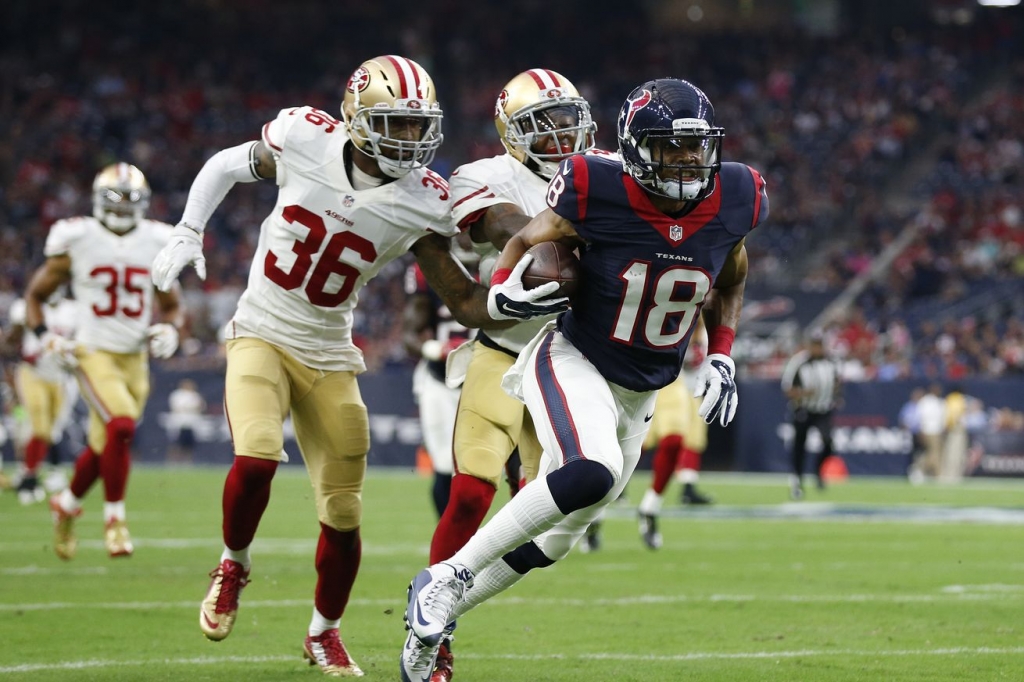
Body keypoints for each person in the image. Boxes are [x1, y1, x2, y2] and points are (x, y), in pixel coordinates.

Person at [148, 55, 564, 677]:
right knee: (257, 455)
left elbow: (461, 297)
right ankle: (233, 563)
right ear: (357, 115)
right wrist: (187, 229)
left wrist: (506, 299)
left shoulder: (423, 198)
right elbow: (226, 165)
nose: (409, 139)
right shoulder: (305, 136)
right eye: (394, 123)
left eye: (417, 125)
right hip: (261, 328)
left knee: (343, 518)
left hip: (332, 353)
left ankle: (323, 633)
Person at [401, 77, 767, 682]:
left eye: (695, 147)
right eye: (667, 147)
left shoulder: (735, 196)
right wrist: (505, 284)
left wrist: (722, 352)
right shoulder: (598, 187)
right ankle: (446, 577)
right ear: (633, 148)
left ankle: (430, 626)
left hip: (644, 383)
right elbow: (521, 235)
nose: (685, 161)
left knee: (556, 541)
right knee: (587, 469)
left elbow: (729, 276)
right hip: (575, 357)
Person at [418, 67, 597, 681]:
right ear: (510, 134)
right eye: (541, 126)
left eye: (568, 119)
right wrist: (544, 244)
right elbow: (492, 222)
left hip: (576, 359)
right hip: (503, 349)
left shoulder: (606, 171)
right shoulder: (484, 176)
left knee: (549, 519)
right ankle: (434, 633)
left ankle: (446, 599)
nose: (560, 134)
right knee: (471, 489)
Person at [27, 162, 183, 560]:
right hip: (92, 352)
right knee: (122, 424)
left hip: (134, 357)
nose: (123, 207)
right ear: (98, 200)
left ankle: (64, 503)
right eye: (116, 198)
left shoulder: (156, 240)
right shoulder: (78, 236)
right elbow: (36, 296)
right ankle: (115, 520)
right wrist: (46, 338)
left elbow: (171, 305)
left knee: (106, 446)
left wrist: (170, 329)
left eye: (131, 199)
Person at [402, 259, 476, 518]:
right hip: (440, 380)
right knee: (445, 465)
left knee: (513, 466)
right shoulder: (429, 268)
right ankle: (450, 543)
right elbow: (409, 335)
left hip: (491, 379)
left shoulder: (507, 258)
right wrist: (435, 349)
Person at [637, 319, 713, 550]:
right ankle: (592, 515)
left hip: (679, 387)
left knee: (676, 442)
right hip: (640, 380)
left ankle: (650, 508)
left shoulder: (704, 328)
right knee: (623, 450)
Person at [0, 290, 79, 504]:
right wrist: (16, 329)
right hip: (33, 373)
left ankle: (37, 471)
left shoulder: (74, 311)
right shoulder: (26, 306)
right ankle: (30, 476)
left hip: (60, 378)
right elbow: (9, 343)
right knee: (39, 426)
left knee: (52, 432)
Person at [780, 331, 842, 499]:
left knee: (829, 443)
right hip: (803, 409)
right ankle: (797, 481)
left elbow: (837, 382)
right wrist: (804, 393)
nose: (817, 348)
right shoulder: (799, 362)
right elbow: (787, 388)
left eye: (820, 344)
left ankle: (817, 471)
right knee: (799, 446)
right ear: (809, 345)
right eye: (815, 344)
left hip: (823, 409)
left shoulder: (832, 362)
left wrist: (836, 396)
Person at [167, 378, 206, 464]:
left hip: (191, 424)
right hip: (179, 424)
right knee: (176, 444)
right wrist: (191, 407)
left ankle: (187, 462)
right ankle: (173, 462)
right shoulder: (177, 395)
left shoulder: (195, 395)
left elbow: (201, 407)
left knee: (189, 446)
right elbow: (178, 407)